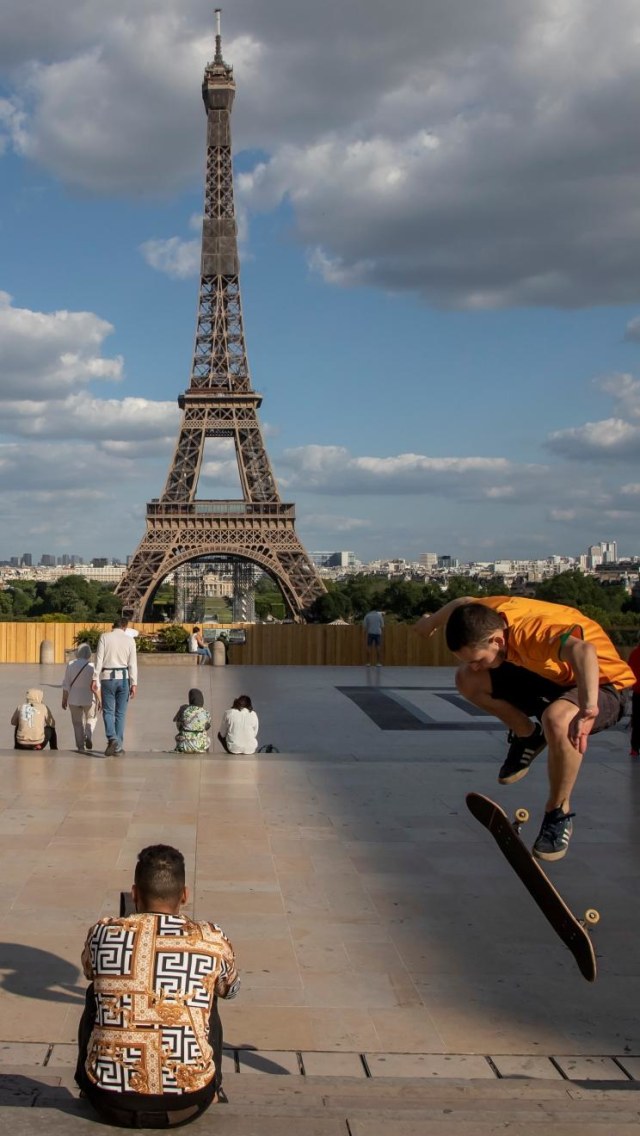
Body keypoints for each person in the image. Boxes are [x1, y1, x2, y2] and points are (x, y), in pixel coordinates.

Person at [415, 595, 634, 862]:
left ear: (496, 640)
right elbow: (463, 602)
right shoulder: (487, 614)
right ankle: (528, 734)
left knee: (558, 720)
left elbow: (584, 652)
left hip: (601, 683)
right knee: (467, 679)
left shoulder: (533, 632)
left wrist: (588, 708)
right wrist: (431, 623)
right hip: (552, 675)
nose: (475, 664)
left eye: (478, 659)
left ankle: (558, 813)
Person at [75, 844, 240, 1128]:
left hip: (107, 1100)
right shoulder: (211, 938)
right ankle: (214, 1090)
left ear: (135, 893)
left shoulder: (103, 932)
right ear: (184, 895)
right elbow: (232, 989)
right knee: (209, 992)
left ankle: (87, 1080)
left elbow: (90, 972)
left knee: (95, 993)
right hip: (188, 1102)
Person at [92, 617, 138, 756]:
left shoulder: (104, 637)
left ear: (114, 626)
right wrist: (134, 683)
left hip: (107, 677)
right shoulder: (130, 640)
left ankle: (112, 738)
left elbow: (98, 659)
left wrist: (95, 678)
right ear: (125, 627)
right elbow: (133, 664)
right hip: (124, 678)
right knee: (120, 714)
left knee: (108, 711)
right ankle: (118, 747)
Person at [62, 643, 99, 752]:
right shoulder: (92, 666)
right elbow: (97, 686)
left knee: (77, 723)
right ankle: (88, 733)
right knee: (92, 718)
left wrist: (64, 699)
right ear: (88, 653)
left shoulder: (70, 664)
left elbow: (66, 684)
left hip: (73, 698)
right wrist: (100, 700)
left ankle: (80, 746)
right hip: (89, 698)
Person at [174, 688, 211, 753]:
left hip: (183, 745)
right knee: (206, 739)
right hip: (200, 745)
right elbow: (207, 727)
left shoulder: (183, 709)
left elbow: (178, 726)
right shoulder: (206, 713)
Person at [628, 640, 640, 758]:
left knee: (637, 721)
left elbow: (629, 670)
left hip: (637, 692)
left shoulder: (634, 653)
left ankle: (635, 748)